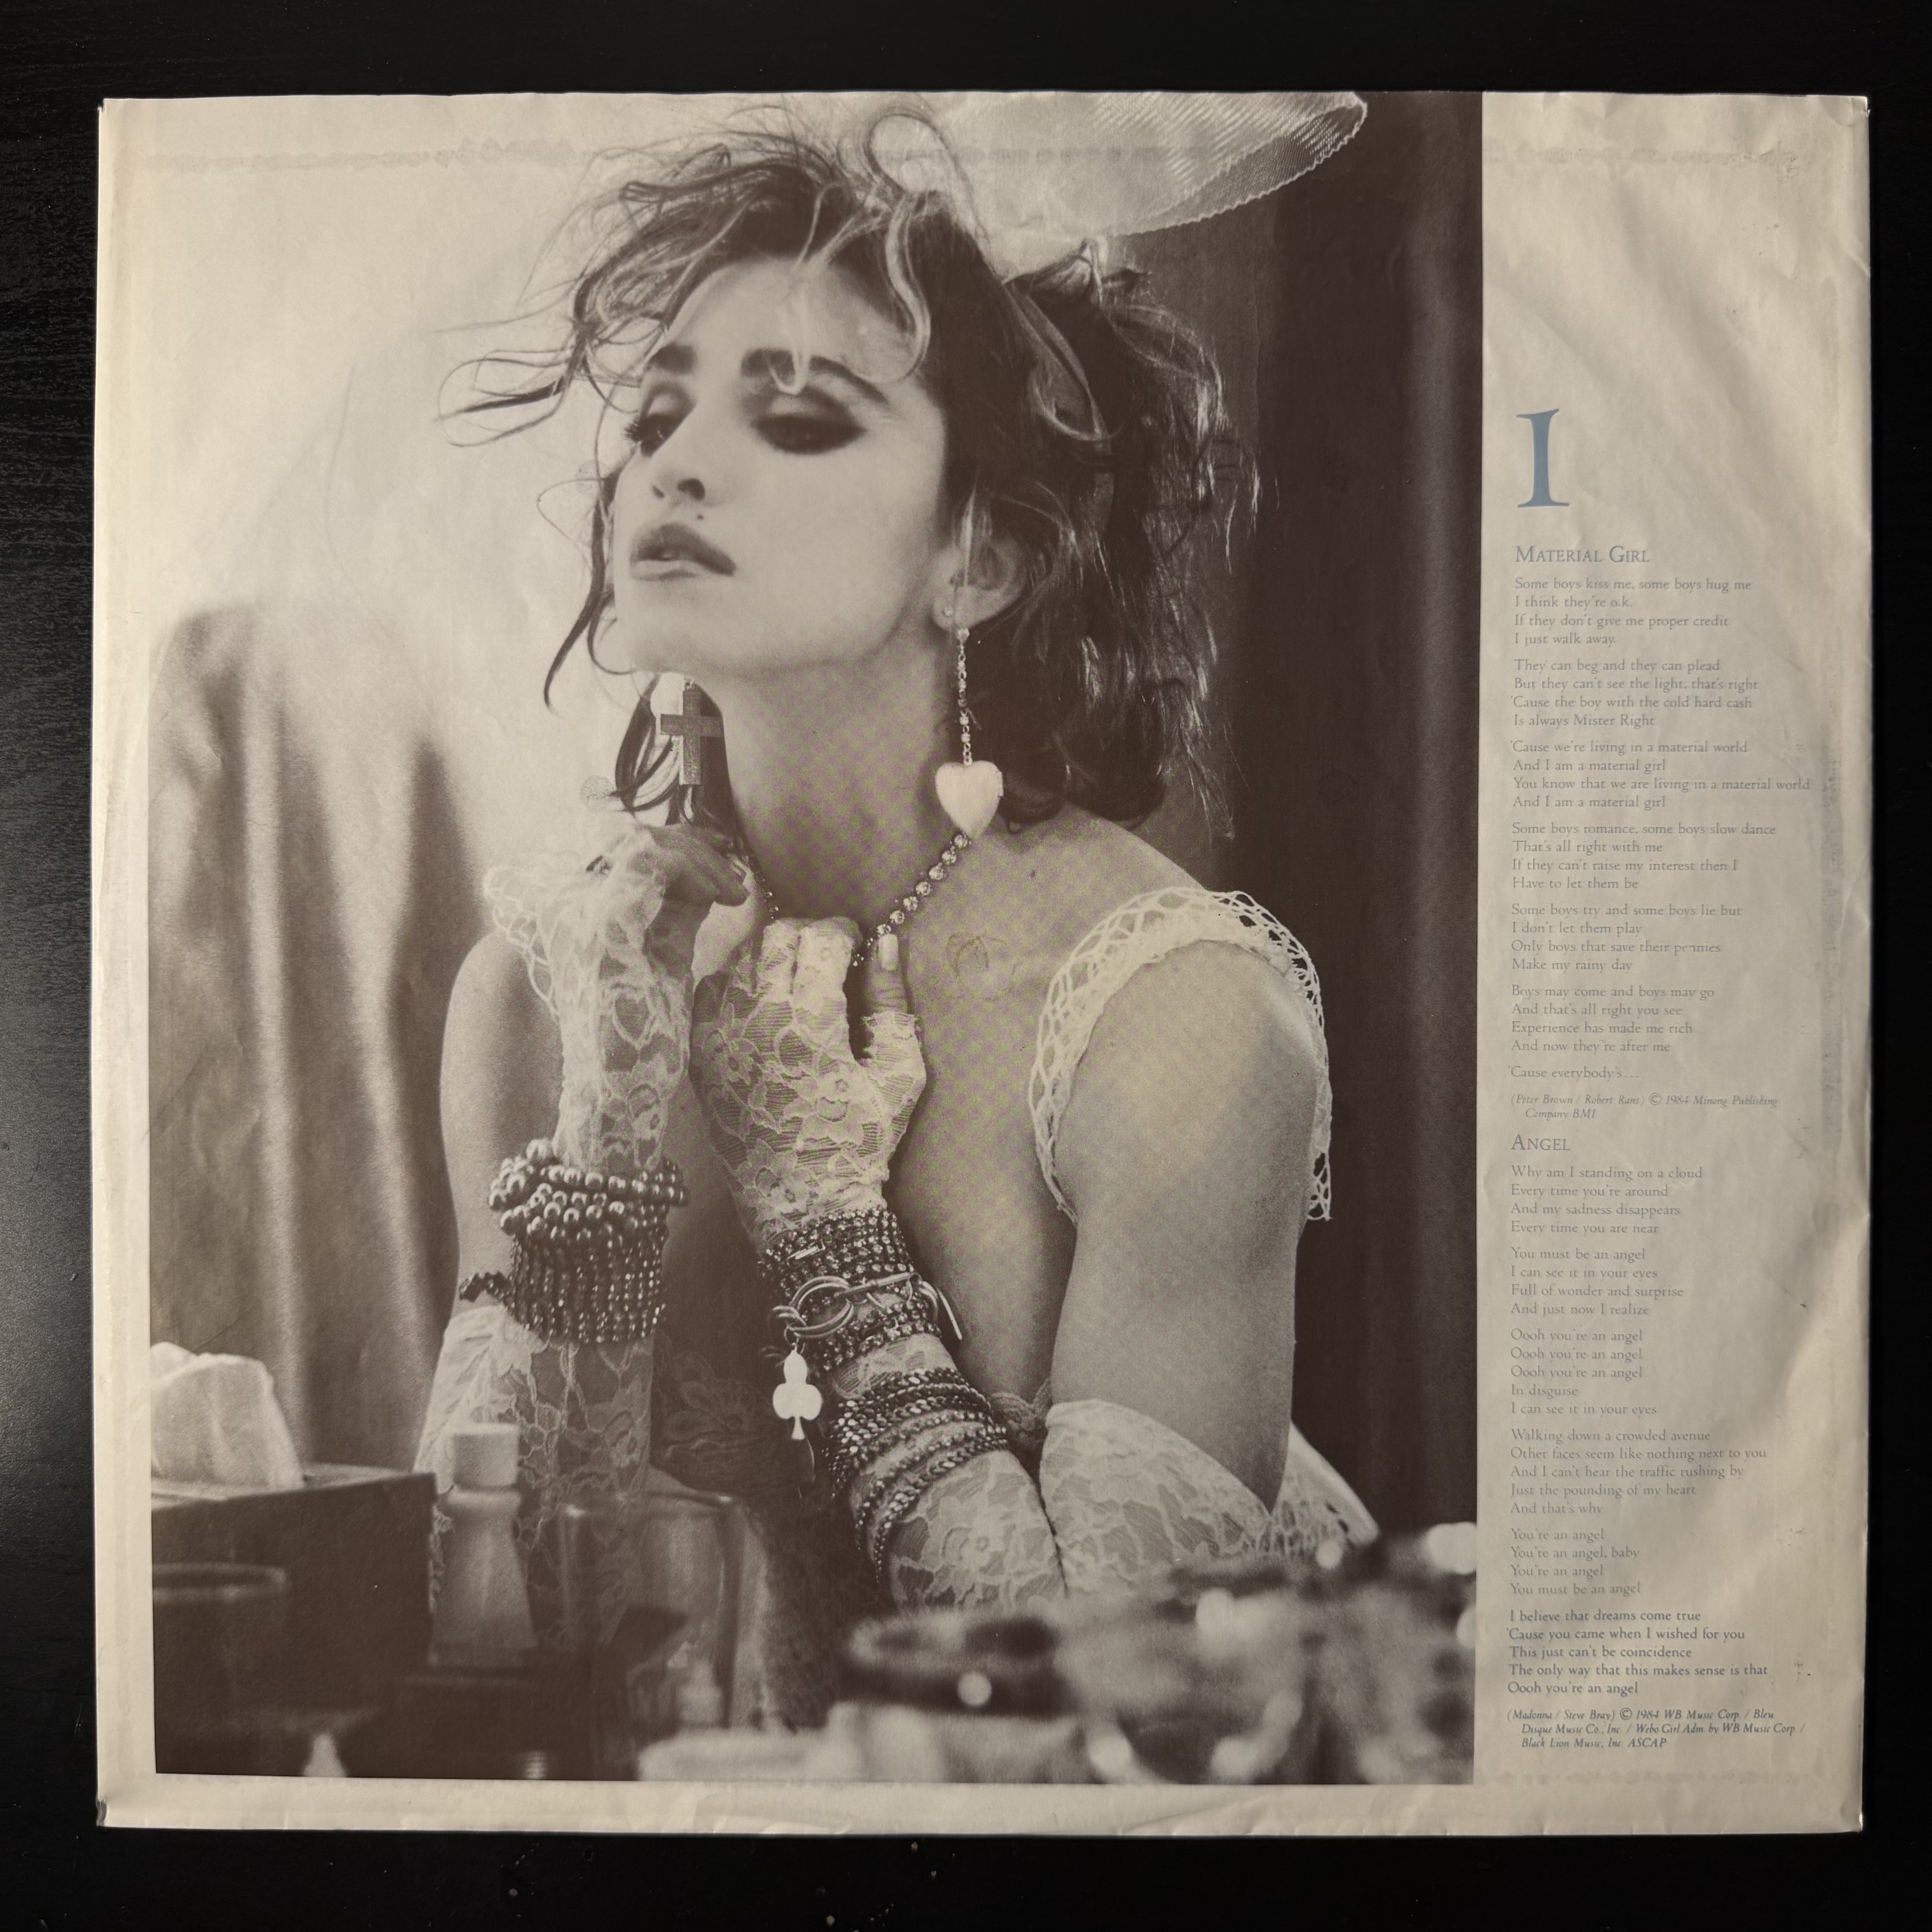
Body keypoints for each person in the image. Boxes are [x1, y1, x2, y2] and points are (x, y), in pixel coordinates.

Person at [416, 112, 1374, 1728]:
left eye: (799, 419)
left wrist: (824, 1219)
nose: (675, 462)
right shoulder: (548, 991)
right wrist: (609, 1123)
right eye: (655, 413)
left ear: (978, 558)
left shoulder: (1179, 1011)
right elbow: (503, 1650)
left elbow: (1122, 1714)